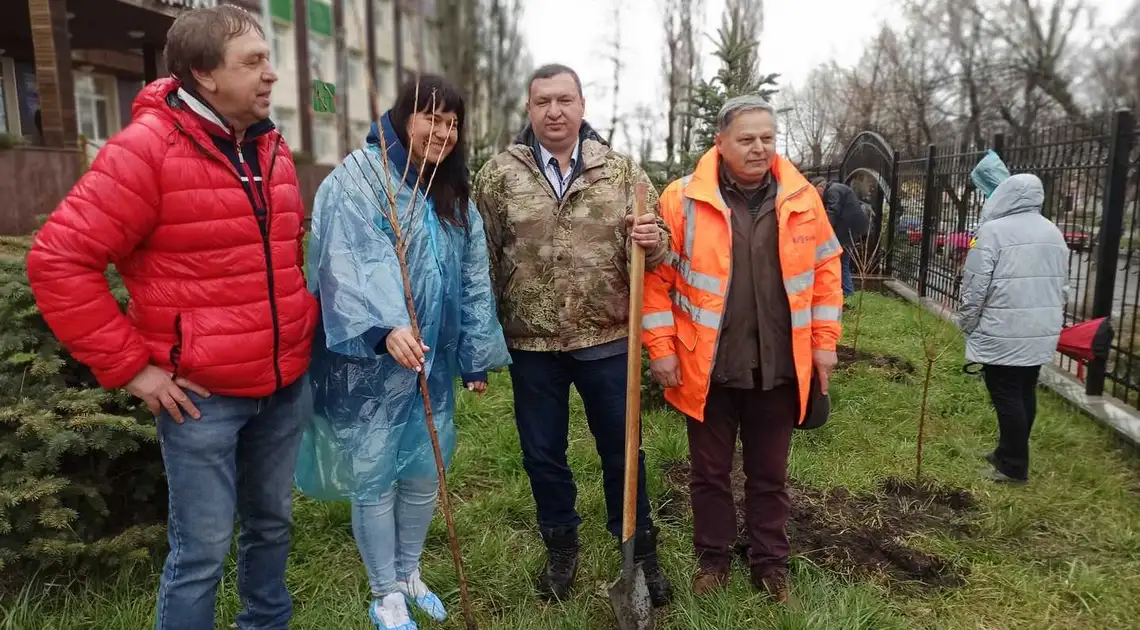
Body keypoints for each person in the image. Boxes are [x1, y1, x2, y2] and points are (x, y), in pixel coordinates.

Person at [25, 7, 317, 630]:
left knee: (272, 528)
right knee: (203, 552)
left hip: (284, 385)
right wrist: (134, 369)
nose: (271, 75)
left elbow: (281, 257)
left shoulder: (269, 144)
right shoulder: (144, 152)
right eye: (253, 62)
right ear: (204, 74)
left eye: (269, 59)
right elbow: (58, 260)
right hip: (202, 399)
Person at [308, 74, 510, 630]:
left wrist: (473, 352)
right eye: (431, 118)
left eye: (452, 122)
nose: (443, 132)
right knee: (375, 473)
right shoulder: (361, 179)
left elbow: (472, 278)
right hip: (371, 362)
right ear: (403, 117)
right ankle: (383, 593)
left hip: (432, 362)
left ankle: (409, 573)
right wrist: (383, 327)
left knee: (424, 469)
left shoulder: (451, 194)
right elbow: (344, 261)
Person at [472, 63, 674, 606]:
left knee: (622, 450)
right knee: (542, 454)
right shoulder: (498, 176)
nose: (554, 112)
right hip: (531, 345)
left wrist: (654, 243)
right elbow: (481, 259)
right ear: (529, 109)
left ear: (583, 106)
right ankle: (561, 548)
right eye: (542, 102)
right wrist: (476, 339)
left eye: (564, 100)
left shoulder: (622, 174)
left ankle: (640, 552)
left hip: (607, 339)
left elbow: (664, 252)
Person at [644, 96, 843, 602]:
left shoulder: (802, 199)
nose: (759, 149)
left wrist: (824, 345)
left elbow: (825, 274)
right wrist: (661, 349)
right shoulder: (683, 199)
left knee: (770, 475)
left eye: (767, 138)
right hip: (707, 365)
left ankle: (769, 564)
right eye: (747, 139)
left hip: (780, 367)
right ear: (721, 142)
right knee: (708, 474)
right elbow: (655, 281)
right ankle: (713, 560)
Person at [957, 173, 1068, 484]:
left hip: (1003, 327)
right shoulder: (1053, 231)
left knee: (1004, 392)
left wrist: (966, 321)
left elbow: (976, 286)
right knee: (1024, 390)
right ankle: (1007, 452)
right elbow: (1063, 286)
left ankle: (1013, 466)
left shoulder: (993, 232)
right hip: (1040, 328)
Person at [812, 176, 869, 298]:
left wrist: (822, 231)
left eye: (815, 191)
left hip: (847, 232)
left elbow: (833, 212)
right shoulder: (835, 189)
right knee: (842, 261)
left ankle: (848, 293)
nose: (815, 196)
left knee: (841, 262)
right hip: (849, 230)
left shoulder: (833, 191)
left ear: (821, 187)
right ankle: (846, 293)